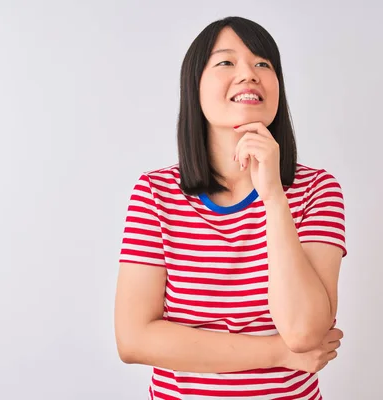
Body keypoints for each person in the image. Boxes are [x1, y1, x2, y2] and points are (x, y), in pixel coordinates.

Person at [114, 16, 347, 400]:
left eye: (263, 64)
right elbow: (135, 339)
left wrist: (273, 197)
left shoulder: (317, 189)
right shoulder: (155, 192)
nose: (248, 75)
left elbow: (304, 332)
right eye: (225, 62)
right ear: (195, 86)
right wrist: (277, 353)